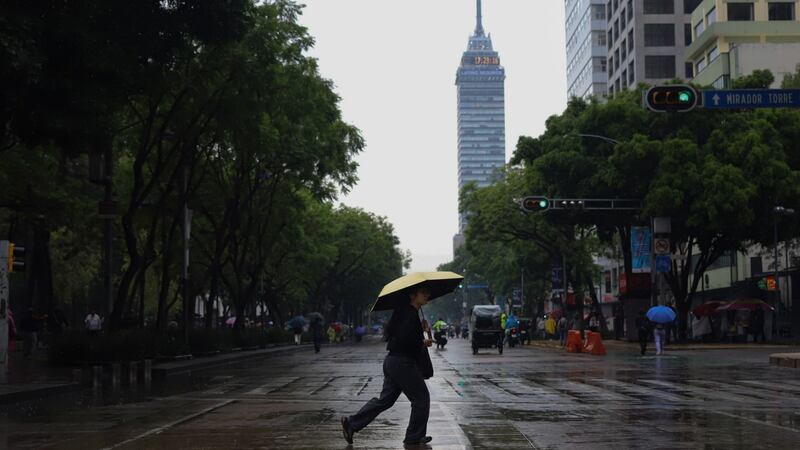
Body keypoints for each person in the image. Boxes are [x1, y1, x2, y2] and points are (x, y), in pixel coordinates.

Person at [341, 285, 434, 446]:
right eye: (424, 292)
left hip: (394, 362)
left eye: (427, 292)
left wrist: (424, 330)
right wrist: (422, 341)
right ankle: (414, 436)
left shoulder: (407, 313)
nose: (427, 295)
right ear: (413, 295)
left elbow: (403, 337)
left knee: (385, 400)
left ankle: (352, 423)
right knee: (421, 398)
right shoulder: (409, 314)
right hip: (402, 363)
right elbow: (405, 340)